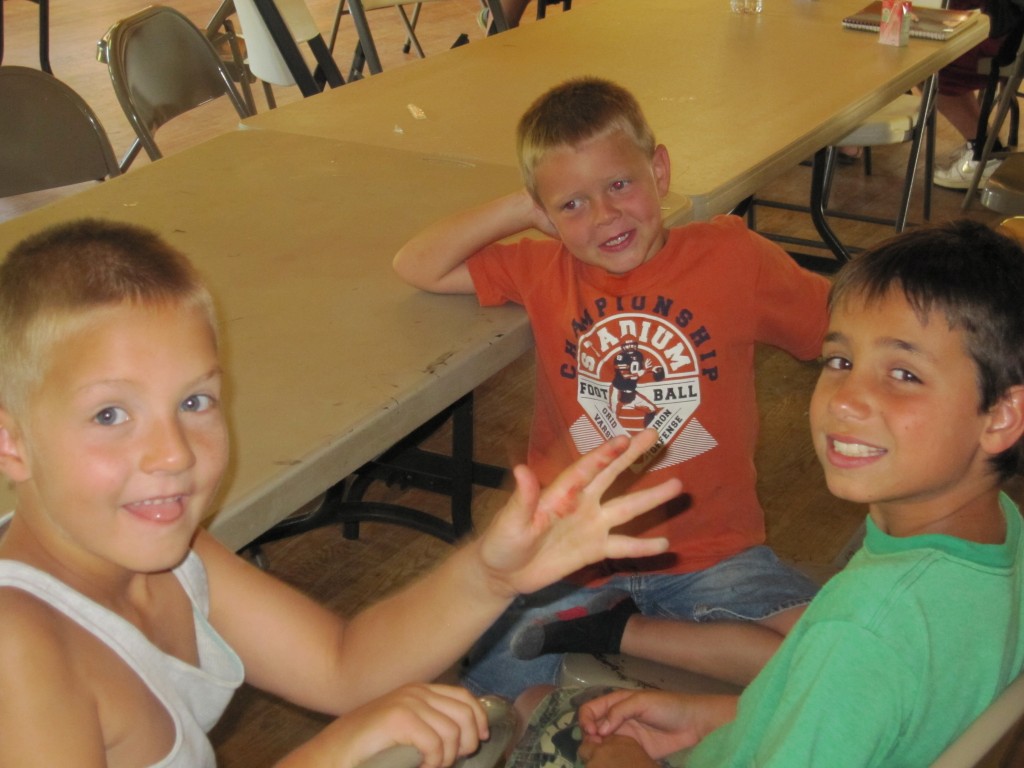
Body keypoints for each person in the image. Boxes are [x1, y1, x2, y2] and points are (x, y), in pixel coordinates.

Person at [0, 218, 685, 768]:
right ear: (11, 442)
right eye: (110, 415)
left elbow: (343, 666)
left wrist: (491, 576)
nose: (173, 453)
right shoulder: (20, 650)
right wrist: (330, 754)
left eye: (195, 401)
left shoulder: (171, 558)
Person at [504, 220, 1024, 767]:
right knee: (542, 704)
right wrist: (705, 717)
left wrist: (622, 760)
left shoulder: (861, 632)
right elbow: (852, 717)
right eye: (840, 361)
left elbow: (851, 682)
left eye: (904, 374)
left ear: (1002, 416)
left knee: (525, 709)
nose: (845, 399)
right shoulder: (1000, 534)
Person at [392, 77, 831, 699]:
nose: (604, 216)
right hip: (570, 554)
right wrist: (525, 208)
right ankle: (578, 683)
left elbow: (837, 330)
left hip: (709, 551)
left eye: (619, 184)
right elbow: (417, 264)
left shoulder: (734, 258)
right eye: (571, 204)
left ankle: (622, 633)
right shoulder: (542, 268)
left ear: (660, 171)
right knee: (497, 697)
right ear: (546, 214)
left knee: (831, 662)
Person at [933, 0, 1024, 190]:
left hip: (1008, 35)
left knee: (925, 58)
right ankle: (985, 145)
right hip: (1009, 26)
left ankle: (983, 152)